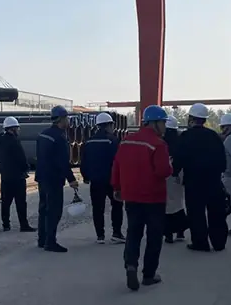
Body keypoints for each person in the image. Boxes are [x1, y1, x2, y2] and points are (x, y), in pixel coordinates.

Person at [111, 105, 172, 291]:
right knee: (154, 237)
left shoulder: (126, 142)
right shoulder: (158, 144)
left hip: (131, 197)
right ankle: (149, 275)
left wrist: (117, 187)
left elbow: (117, 166)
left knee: (133, 233)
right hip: (154, 198)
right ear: (154, 123)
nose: (165, 127)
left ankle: (131, 265)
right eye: (163, 122)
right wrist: (170, 165)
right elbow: (163, 171)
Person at [172, 103, 229, 252]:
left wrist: (175, 172)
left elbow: (179, 158)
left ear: (191, 118)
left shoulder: (186, 136)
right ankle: (219, 242)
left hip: (193, 182)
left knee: (196, 213)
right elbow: (223, 160)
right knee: (216, 212)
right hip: (213, 181)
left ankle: (200, 242)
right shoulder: (213, 136)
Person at [36, 105, 79, 252]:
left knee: (43, 209)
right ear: (62, 119)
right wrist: (71, 179)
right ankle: (50, 242)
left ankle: (42, 240)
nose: (68, 121)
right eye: (67, 118)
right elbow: (62, 162)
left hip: (42, 177)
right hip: (53, 179)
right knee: (54, 211)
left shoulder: (43, 134)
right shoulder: (60, 138)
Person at [80, 112, 124, 244]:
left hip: (96, 180)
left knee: (97, 208)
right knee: (117, 205)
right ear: (109, 125)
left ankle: (100, 235)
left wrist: (86, 176)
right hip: (111, 180)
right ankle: (116, 233)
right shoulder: (113, 141)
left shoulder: (89, 141)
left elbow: (84, 161)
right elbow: (119, 161)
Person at [0, 117, 34, 232]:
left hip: (5, 177)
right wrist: (26, 168)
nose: (18, 130)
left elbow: (0, 160)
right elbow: (21, 157)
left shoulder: (0, 141)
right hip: (17, 176)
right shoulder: (14, 141)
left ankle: (6, 225)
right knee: (21, 202)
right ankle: (24, 225)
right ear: (12, 129)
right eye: (17, 128)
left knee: (6, 202)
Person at [163, 115, 187, 244]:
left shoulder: (161, 141)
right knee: (178, 202)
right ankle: (180, 231)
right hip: (178, 174)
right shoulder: (180, 141)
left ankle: (168, 234)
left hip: (166, 174)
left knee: (167, 204)